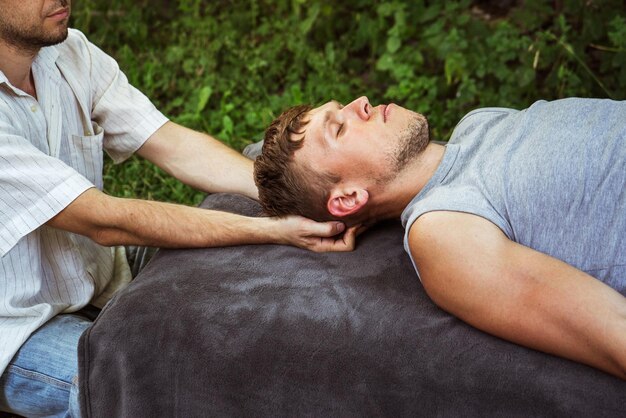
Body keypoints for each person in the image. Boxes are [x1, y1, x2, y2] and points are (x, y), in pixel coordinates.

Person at [0, 1, 359, 416]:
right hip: (17, 326)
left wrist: (296, 200)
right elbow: (104, 220)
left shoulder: (68, 53)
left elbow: (170, 143)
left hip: (92, 273)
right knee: (147, 384)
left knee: (242, 294)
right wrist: (274, 228)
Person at [254, 95, 626, 380]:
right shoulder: (440, 227)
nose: (362, 104)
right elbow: (613, 332)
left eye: (345, 105)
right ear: (349, 198)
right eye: (339, 128)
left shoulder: (478, 123)